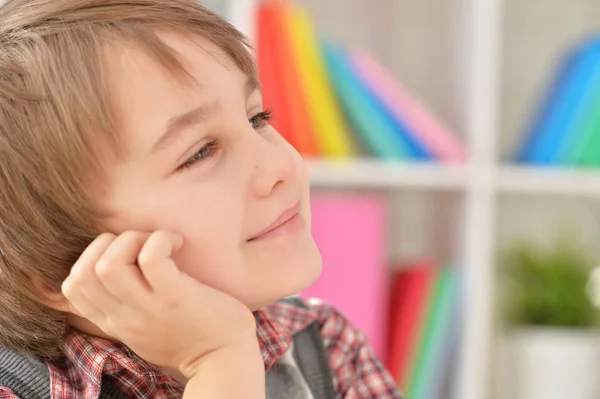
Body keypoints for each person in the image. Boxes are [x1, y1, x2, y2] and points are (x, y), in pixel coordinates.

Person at [0, 0, 402, 398]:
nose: (280, 165)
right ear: (55, 270)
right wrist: (219, 361)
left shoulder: (327, 349)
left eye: (256, 118)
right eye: (200, 152)